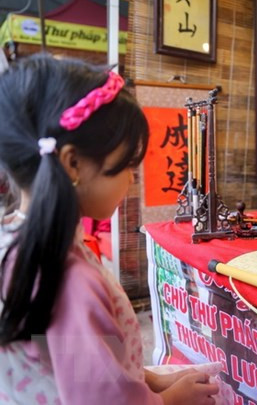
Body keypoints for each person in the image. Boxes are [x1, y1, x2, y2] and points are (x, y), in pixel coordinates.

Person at [0, 55, 219, 404]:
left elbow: (66, 357)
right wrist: (171, 399)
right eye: (127, 165)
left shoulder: (21, 245)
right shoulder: (67, 279)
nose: (132, 179)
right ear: (73, 164)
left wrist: (150, 380)